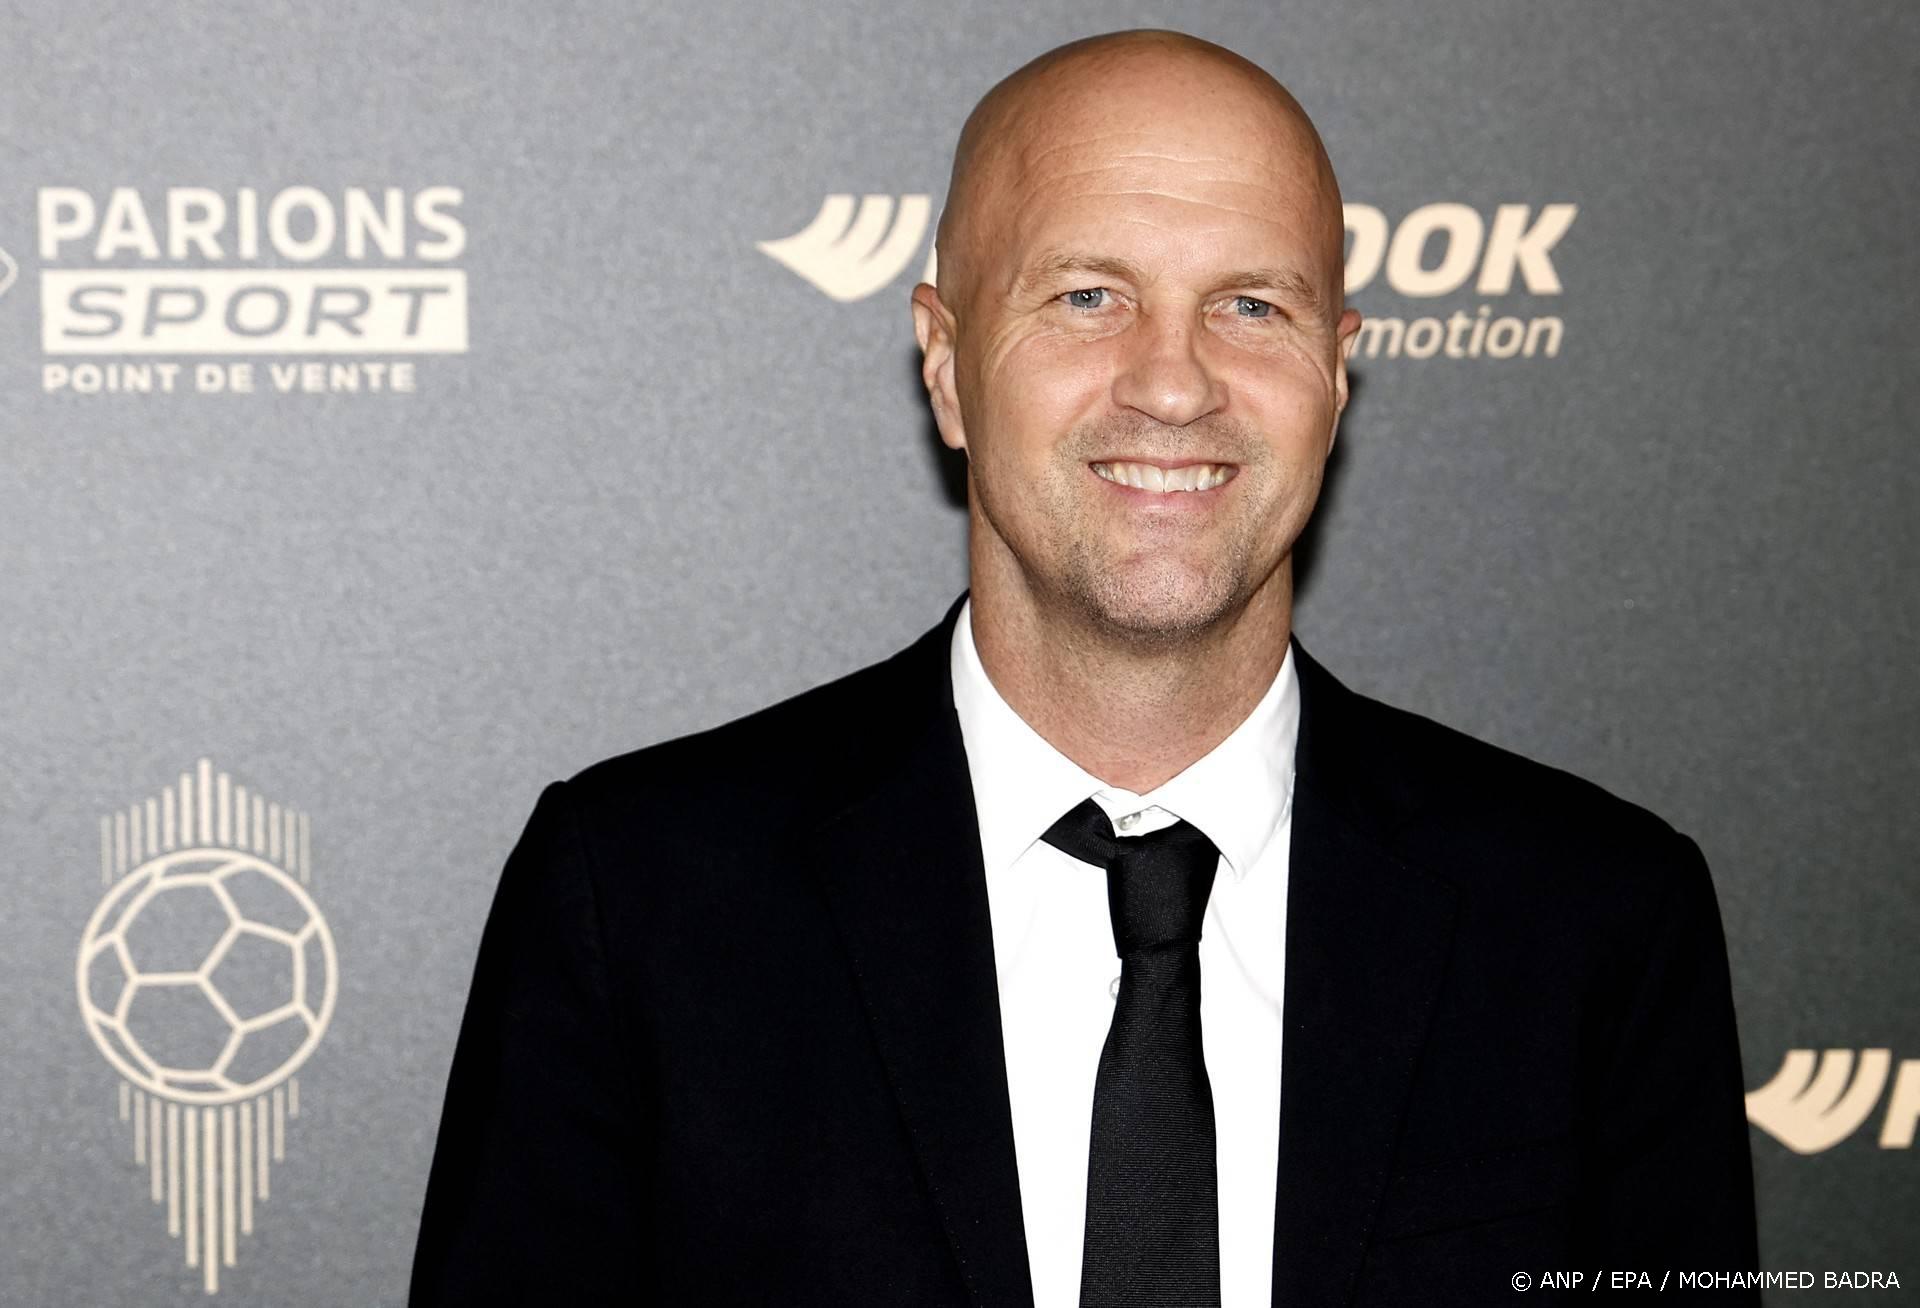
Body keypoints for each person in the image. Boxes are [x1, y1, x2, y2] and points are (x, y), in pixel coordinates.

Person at [410, 29, 1759, 1307]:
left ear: (1338, 374)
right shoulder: (641, 901)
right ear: (945, 364)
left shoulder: (1594, 928)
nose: (1173, 384)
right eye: (1087, 296)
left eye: (1249, 303)